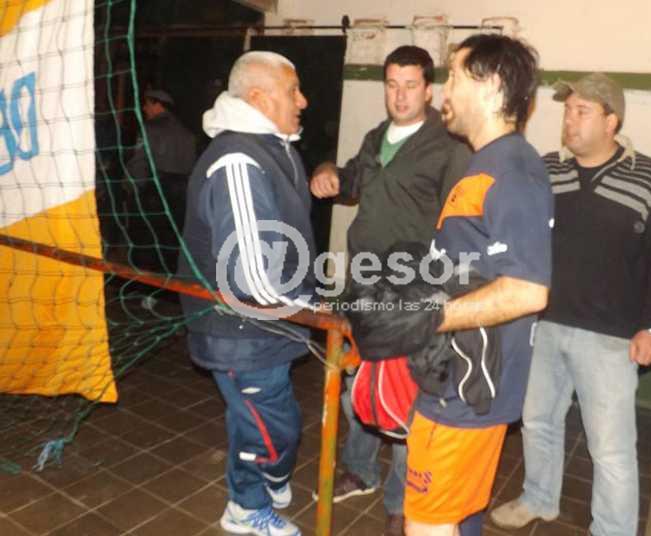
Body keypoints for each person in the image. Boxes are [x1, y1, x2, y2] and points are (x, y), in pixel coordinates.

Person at [345, 34, 552, 536]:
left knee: (426, 524)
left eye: (455, 77)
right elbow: (469, 264)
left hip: (468, 390)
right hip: (449, 376)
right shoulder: (483, 163)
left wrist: (425, 318)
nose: (444, 92)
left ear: (491, 86)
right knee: (456, 519)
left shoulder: (512, 171)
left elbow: (527, 289)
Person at [490, 73, 651, 536]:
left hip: (611, 338)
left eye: (582, 111)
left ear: (612, 121)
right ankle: (539, 498)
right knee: (537, 421)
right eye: (567, 110)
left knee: (610, 448)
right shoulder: (547, 170)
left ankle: (612, 529)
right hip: (545, 324)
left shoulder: (649, 178)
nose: (569, 121)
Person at [309, 45, 471, 536]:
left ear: (429, 90)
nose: (400, 96)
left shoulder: (449, 145)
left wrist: (441, 289)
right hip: (364, 282)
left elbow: (459, 220)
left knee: (405, 393)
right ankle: (359, 469)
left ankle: (401, 501)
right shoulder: (377, 136)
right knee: (357, 381)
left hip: (410, 289)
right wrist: (329, 171)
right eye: (392, 85)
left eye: (410, 86)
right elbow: (352, 181)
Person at [178, 51, 316, 536]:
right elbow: (249, 275)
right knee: (265, 427)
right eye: (293, 90)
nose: (303, 100)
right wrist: (315, 307)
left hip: (267, 327)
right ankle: (245, 506)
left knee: (270, 417)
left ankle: (269, 477)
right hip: (240, 328)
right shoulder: (238, 159)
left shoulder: (273, 148)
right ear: (259, 97)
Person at [126, 89, 197, 305]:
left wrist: (132, 187)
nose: (144, 108)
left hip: (154, 191)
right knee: (170, 243)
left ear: (158, 105)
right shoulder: (187, 133)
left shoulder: (150, 129)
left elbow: (139, 162)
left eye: (147, 104)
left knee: (146, 242)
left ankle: (145, 291)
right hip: (180, 194)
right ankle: (168, 291)